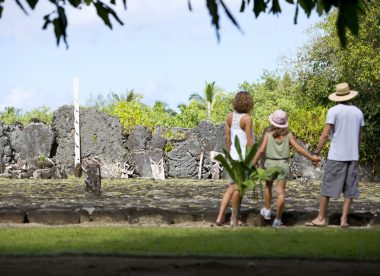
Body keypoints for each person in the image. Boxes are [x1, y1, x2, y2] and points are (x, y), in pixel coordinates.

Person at [305, 83, 364, 228]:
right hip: (353, 156)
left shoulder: (333, 111)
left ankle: (321, 218)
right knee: (350, 189)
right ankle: (344, 220)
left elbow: (325, 135)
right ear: (349, 96)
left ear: (337, 97)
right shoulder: (358, 112)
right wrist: (356, 153)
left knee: (327, 188)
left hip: (336, 155)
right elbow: (360, 138)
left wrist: (316, 152)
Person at [253, 109, 321, 227]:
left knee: (268, 187)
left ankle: (268, 211)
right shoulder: (288, 134)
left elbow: (261, 150)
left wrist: (253, 162)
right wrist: (312, 158)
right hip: (283, 165)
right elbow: (299, 149)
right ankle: (278, 220)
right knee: (281, 193)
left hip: (270, 164)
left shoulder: (268, 133)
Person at [215, 91, 254, 226]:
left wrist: (231, 153)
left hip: (233, 156)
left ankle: (220, 217)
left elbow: (227, 139)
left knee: (231, 188)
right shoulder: (247, 119)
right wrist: (254, 159)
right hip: (243, 158)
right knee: (237, 188)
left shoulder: (230, 117)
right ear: (249, 103)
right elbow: (249, 141)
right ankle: (233, 219)